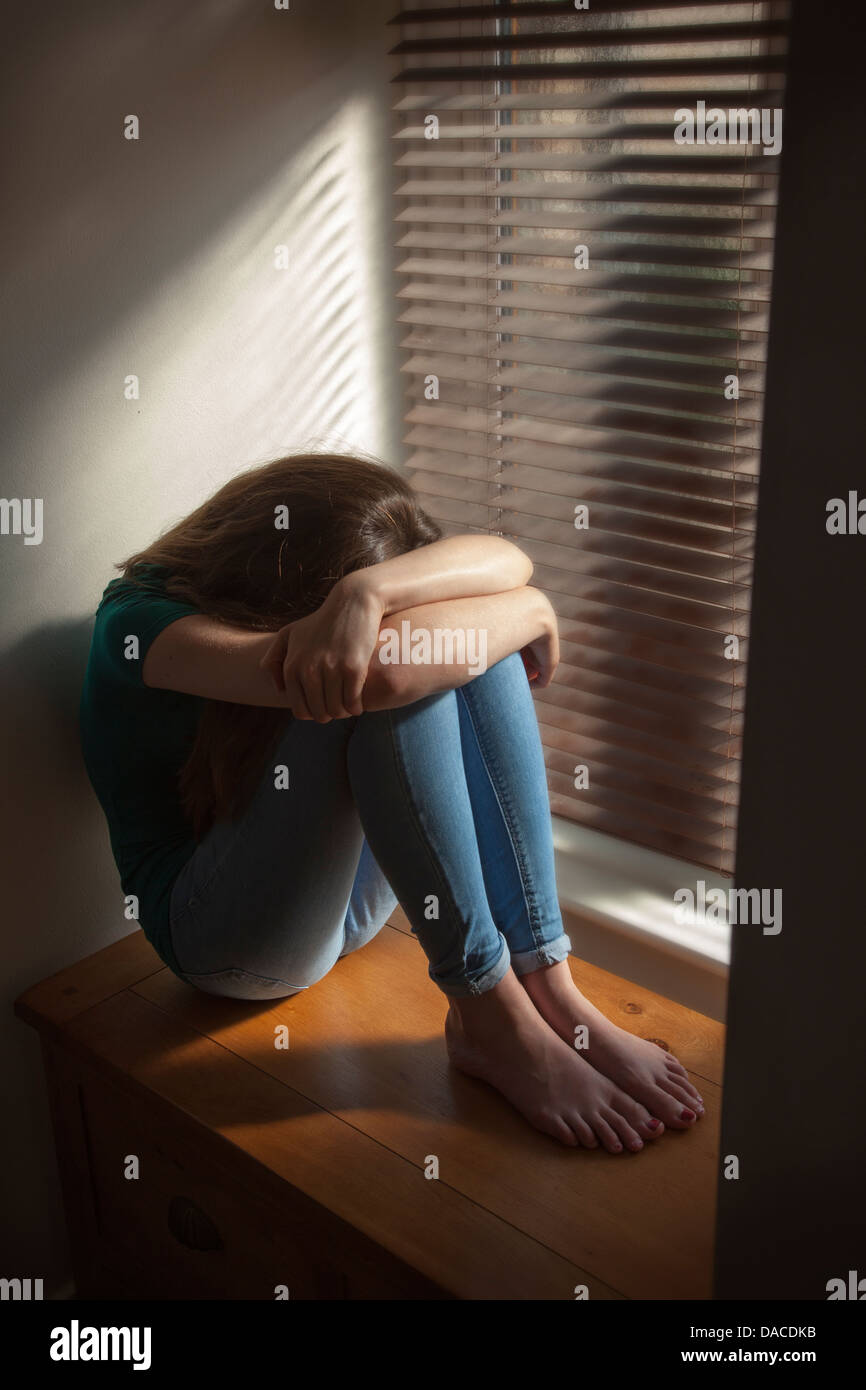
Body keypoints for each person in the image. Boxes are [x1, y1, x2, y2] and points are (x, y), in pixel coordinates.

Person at [79, 452, 704, 1152]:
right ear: (279, 575)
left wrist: (367, 595)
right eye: (341, 593)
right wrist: (527, 609)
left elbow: (501, 561)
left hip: (343, 896)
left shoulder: (341, 597)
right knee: (399, 672)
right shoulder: (138, 627)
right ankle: (487, 1014)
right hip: (227, 938)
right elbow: (379, 677)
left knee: (466, 640)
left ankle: (548, 984)